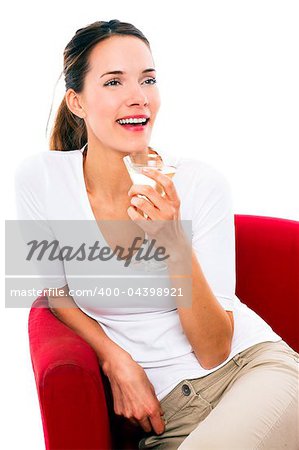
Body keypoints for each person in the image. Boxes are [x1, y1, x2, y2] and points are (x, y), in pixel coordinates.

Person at [14, 20, 298, 449]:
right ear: (76, 101)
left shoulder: (202, 185)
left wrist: (172, 243)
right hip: (165, 417)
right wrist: (115, 358)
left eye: (148, 79)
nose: (139, 97)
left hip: (252, 374)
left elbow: (214, 350)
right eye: (114, 81)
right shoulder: (41, 179)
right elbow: (54, 291)